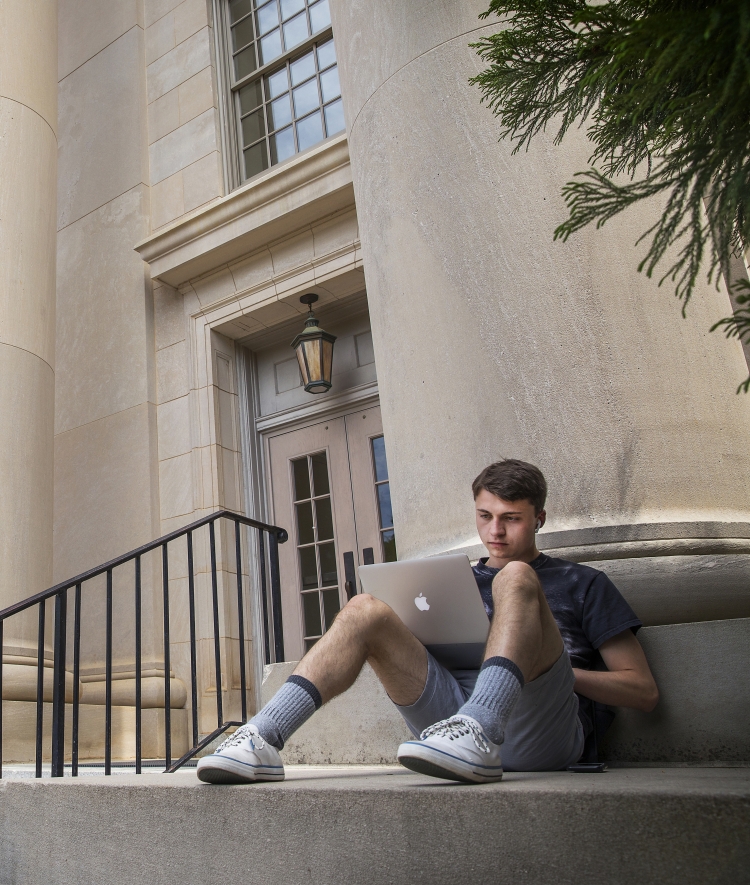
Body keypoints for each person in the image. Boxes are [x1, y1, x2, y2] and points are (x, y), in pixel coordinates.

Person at [196, 459, 658, 785]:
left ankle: (481, 724)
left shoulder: (583, 582)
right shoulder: (450, 581)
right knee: (363, 608)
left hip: (539, 726)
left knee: (517, 576)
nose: (495, 531)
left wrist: (526, 667)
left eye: (512, 519)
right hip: (445, 726)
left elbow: (643, 692)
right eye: (485, 516)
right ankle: (261, 736)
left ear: (539, 518)